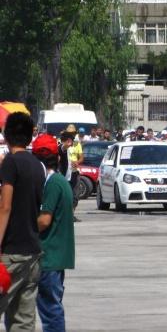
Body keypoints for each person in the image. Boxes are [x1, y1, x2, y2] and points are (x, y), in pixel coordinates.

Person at [0, 112, 44, 330]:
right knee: (23, 320)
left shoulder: (10, 163)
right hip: (33, 253)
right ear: (29, 137)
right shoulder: (37, 166)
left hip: (11, 254)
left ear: (7, 136)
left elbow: (5, 207)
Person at [31, 134, 75, 332]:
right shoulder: (60, 181)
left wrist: (24, 229)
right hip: (56, 256)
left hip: (49, 256)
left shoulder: (52, 184)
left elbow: (44, 220)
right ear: (57, 157)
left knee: (50, 310)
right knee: (52, 307)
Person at [65, 125, 83, 222]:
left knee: (75, 194)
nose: (72, 135)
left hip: (75, 172)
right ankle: (66, 215)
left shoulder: (77, 144)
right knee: (66, 194)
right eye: (70, 134)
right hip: (65, 173)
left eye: (73, 133)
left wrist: (77, 162)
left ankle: (72, 214)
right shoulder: (63, 143)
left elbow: (81, 157)